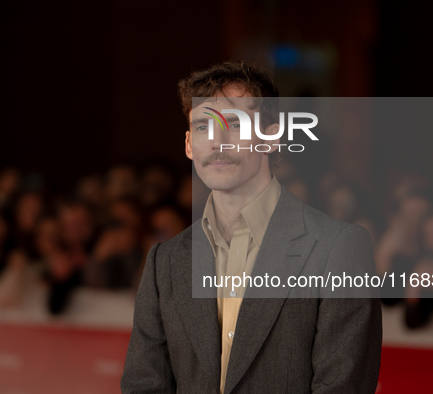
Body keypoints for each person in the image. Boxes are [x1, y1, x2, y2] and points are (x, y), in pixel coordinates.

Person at [121, 61, 382, 393]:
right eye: (203, 127)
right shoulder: (165, 261)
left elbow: (343, 386)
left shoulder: (339, 248)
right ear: (188, 145)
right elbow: (143, 385)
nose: (217, 142)